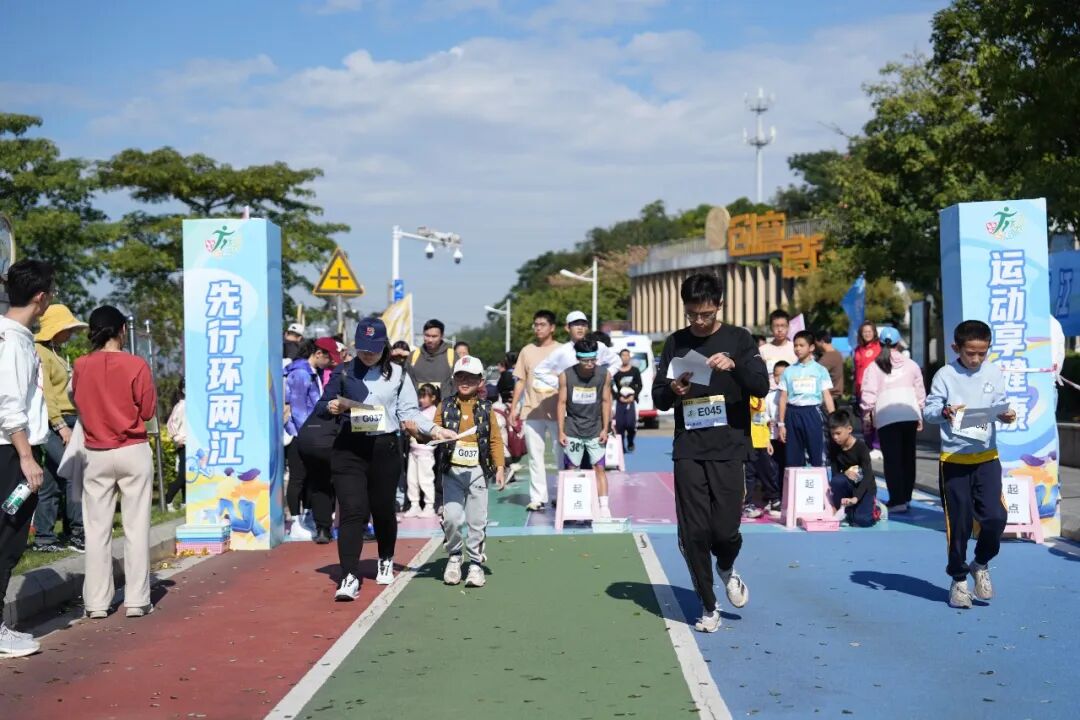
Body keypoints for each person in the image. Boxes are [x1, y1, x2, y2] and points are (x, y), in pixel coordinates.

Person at [653, 273, 769, 633]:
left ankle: (726, 566)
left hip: (729, 447)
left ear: (719, 305)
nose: (699, 321)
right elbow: (659, 397)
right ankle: (707, 604)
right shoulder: (676, 342)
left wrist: (735, 366)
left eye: (705, 314)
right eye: (692, 314)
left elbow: (761, 386)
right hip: (688, 448)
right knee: (694, 532)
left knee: (725, 531)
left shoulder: (739, 339)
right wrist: (673, 389)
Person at [320, 318, 455, 601]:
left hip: (385, 449)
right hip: (349, 450)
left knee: (382, 509)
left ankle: (385, 557)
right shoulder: (343, 371)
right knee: (353, 510)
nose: (368, 354)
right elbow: (321, 406)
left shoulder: (398, 374)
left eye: (374, 348)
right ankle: (348, 576)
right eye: (363, 348)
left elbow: (410, 413)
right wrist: (331, 406)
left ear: (384, 345)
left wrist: (435, 429)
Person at [73, 305, 158, 620]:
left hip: (95, 451)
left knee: (97, 531)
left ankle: (96, 602)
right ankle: (137, 600)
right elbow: (147, 411)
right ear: (123, 329)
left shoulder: (81, 365)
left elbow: (77, 402)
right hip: (133, 449)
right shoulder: (137, 365)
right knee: (136, 527)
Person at [923, 320, 1016, 609]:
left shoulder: (993, 372)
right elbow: (929, 411)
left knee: (996, 518)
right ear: (956, 348)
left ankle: (981, 563)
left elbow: (1001, 405)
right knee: (959, 523)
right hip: (954, 460)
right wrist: (944, 411)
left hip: (987, 458)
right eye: (970, 353)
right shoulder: (945, 375)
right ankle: (959, 580)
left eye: (982, 353)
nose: (976, 359)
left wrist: (1006, 415)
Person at [0, 259, 53, 658]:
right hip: (11, 452)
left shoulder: (14, 336)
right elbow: (8, 403)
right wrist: (26, 457)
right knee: (8, 538)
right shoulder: (13, 341)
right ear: (41, 297)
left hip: (11, 449)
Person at [434, 356, 507, 587]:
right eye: (460, 377)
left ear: (481, 381)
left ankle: (476, 563)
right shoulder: (444, 406)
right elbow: (431, 431)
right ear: (454, 379)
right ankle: (454, 556)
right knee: (452, 517)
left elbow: (495, 439)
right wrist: (429, 434)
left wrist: (500, 467)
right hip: (452, 471)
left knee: (477, 520)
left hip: (477, 471)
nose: (465, 382)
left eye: (471, 377)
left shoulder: (487, 408)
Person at [32, 303, 88, 553]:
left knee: (53, 480)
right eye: (68, 329)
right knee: (75, 472)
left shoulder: (55, 351)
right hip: (53, 422)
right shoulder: (40, 352)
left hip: (67, 419)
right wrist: (61, 426)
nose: (71, 333)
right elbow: (46, 394)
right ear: (55, 329)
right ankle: (76, 531)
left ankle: (44, 537)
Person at [860, 326, 925, 513]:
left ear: (879, 343)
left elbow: (868, 395)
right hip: (909, 413)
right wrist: (920, 413)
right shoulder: (911, 365)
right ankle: (907, 497)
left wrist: (867, 415)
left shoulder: (874, 366)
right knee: (908, 457)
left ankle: (897, 500)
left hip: (886, 415)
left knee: (892, 459)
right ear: (898, 344)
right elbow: (920, 391)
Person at [509, 310, 562, 512]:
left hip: (557, 411)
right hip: (531, 411)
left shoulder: (562, 350)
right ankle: (538, 498)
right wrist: (514, 408)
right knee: (534, 457)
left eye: (542, 324)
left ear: (552, 327)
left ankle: (561, 494)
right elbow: (520, 381)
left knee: (560, 454)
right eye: (536, 325)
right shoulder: (527, 351)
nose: (538, 328)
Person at [557, 337, 614, 519]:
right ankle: (571, 508)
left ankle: (604, 507)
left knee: (599, 468)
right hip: (573, 427)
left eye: (593, 360)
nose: (590, 364)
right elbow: (561, 403)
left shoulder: (604, 374)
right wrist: (561, 431)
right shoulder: (565, 375)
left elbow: (606, 401)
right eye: (585, 361)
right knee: (571, 469)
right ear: (578, 358)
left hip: (595, 428)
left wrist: (605, 428)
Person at [284, 339, 335, 532]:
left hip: (310, 433)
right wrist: (310, 432)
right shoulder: (300, 374)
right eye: (328, 358)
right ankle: (295, 521)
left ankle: (307, 517)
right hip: (300, 434)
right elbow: (297, 408)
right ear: (318, 353)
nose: (330, 362)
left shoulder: (313, 373)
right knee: (297, 478)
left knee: (310, 478)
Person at [778, 330, 835, 468]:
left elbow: (827, 395)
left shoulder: (820, 370)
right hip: (792, 414)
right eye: (795, 345)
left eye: (801, 345)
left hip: (813, 413)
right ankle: (795, 481)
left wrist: (833, 418)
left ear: (811, 347)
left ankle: (819, 480)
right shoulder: (788, 371)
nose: (797, 349)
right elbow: (783, 398)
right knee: (793, 457)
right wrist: (781, 424)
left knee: (816, 454)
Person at [826, 410, 879, 527]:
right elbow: (835, 475)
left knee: (862, 521)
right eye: (832, 434)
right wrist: (833, 504)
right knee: (837, 481)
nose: (835, 437)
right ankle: (848, 510)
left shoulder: (861, 447)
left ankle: (876, 508)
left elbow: (868, 475)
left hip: (864, 487)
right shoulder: (834, 447)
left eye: (838, 433)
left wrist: (856, 498)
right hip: (847, 485)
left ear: (849, 429)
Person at [405, 383, 440, 518]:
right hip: (413, 450)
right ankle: (415, 505)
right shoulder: (418, 410)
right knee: (412, 480)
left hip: (426, 452)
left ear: (433, 397)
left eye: (424, 397)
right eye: (420, 397)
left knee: (426, 480)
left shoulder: (434, 411)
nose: (421, 400)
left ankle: (429, 506)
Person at [743, 394, 778, 518]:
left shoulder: (762, 399)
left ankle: (774, 500)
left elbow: (763, 421)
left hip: (762, 442)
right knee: (749, 475)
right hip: (748, 442)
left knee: (768, 472)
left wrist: (768, 441)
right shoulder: (746, 397)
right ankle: (748, 504)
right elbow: (754, 406)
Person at [854, 321, 882, 451]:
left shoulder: (879, 347)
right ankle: (868, 446)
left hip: (876, 390)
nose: (867, 334)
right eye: (864, 332)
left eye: (869, 331)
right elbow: (856, 371)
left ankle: (877, 447)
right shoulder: (857, 349)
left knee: (876, 418)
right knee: (865, 421)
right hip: (861, 390)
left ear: (874, 333)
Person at [766, 360, 789, 515]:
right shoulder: (769, 396)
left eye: (783, 375)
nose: (779, 378)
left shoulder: (793, 397)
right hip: (773, 438)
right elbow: (764, 415)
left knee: (787, 467)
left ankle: (788, 497)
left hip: (789, 439)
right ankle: (775, 499)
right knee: (773, 469)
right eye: (776, 375)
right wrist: (769, 421)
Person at [409, 319, 455, 394]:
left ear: (442, 336)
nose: (430, 340)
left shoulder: (452, 356)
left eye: (434, 336)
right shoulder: (413, 356)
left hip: (445, 401)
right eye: (427, 335)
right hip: (417, 401)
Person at [612, 349, 643, 452]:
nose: (625, 357)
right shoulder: (616, 371)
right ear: (620, 357)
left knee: (630, 424)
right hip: (620, 401)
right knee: (620, 425)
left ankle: (630, 441)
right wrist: (618, 397)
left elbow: (640, 385)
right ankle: (621, 446)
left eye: (627, 355)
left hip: (631, 401)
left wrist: (634, 396)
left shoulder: (635, 370)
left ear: (630, 357)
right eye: (623, 355)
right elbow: (611, 386)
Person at [165, 379, 188, 509]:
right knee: (183, 475)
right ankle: (168, 499)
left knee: (189, 474)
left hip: (191, 444)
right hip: (183, 444)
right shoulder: (181, 406)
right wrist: (177, 439)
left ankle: (185, 502)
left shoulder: (191, 405)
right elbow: (171, 424)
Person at [760, 309, 797, 377]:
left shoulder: (796, 348)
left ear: (788, 327)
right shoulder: (762, 350)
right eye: (776, 326)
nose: (780, 330)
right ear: (771, 328)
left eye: (783, 326)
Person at [815, 330, 845, 402]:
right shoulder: (837, 353)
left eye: (816, 342)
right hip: (835, 395)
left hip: (829, 397)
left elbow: (813, 375)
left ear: (821, 341)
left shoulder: (827, 358)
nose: (815, 345)